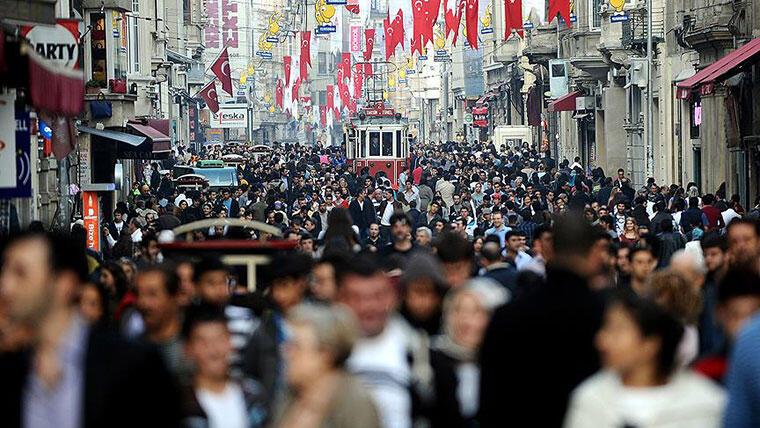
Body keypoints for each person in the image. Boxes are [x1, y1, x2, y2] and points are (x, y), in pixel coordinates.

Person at [0, 232, 181, 427]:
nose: (6, 286)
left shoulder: (133, 366)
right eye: (4, 272)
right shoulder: (11, 368)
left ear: (64, 283)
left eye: (20, 273)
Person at [479, 214, 606, 427]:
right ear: (595, 253)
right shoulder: (610, 316)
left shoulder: (508, 315)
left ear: (549, 249)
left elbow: (491, 403)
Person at [564, 291, 725, 427]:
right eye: (606, 328)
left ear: (651, 344)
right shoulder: (590, 400)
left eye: (617, 330)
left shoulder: (704, 406)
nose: (602, 341)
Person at [337, 254, 458, 428]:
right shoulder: (323, 355)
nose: (368, 306)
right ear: (341, 300)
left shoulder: (424, 358)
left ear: (391, 297)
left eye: (377, 296)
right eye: (356, 297)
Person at [272, 304, 381, 428]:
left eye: (296, 346)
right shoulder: (289, 395)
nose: (285, 352)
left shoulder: (355, 404)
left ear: (326, 354)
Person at [431, 278, 508, 427]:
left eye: (477, 312)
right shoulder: (430, 359)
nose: (465, 321)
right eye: (458, 310)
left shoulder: (506, 365)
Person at [181, 303, 266, 428]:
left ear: (230, 342)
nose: (213, 351)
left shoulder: (254, 394)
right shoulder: (180, 404)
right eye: (203, 342)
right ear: (188, 349)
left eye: (220, 339)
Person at [694, 267, 760, 383]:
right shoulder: (704, 373)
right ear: (719, 314)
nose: (745, 326)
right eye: (736, 316)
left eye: (753, 317)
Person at [135, 265, 189, 378]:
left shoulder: (192, 352)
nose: (142, 303)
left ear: (175, 297)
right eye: (138, 294)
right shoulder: (130, 350)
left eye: (152, 294)